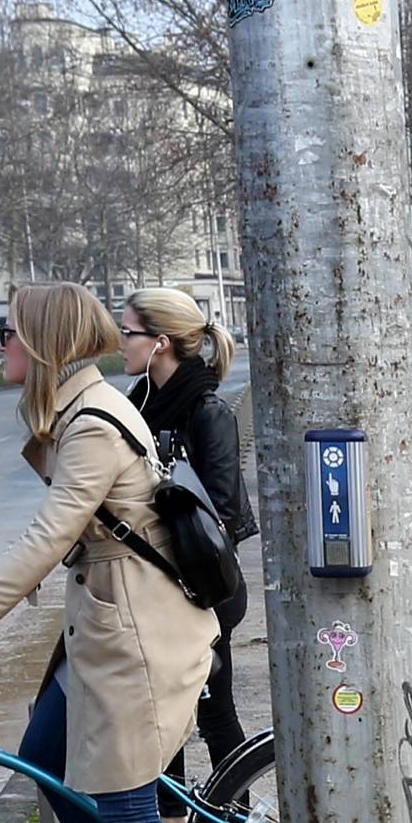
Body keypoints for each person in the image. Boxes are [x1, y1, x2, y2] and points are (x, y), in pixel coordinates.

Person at [0, 282, 222, 823]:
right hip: (102, 627)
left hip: (137, 636)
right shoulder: (75, 411)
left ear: (44, 344)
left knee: (131, 807)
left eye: (11, 333)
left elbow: (47, 536)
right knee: (43, 759)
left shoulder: (94, 425)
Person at [119, 287, 256, 776]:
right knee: (164, 711)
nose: (120, 342)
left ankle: (235, 818)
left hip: (207, 590)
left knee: (214, 711)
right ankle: (176, 821)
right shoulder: (136, 407)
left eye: (128, 332)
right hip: (163, 587)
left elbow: (220, 516)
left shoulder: (207, 412)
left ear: (160, 342)